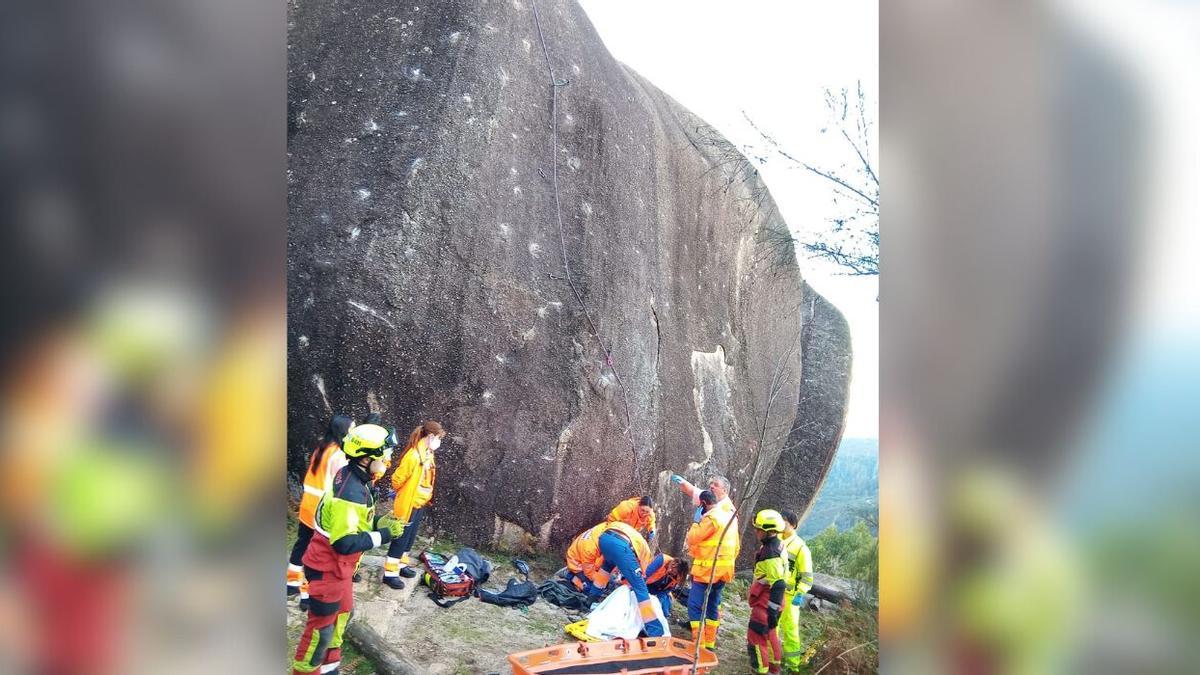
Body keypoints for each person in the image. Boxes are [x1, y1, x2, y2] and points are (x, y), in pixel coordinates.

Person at [291, 423, 404, 675]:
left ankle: (330, 670)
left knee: (341, 619)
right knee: (320, 632)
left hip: (340, 572)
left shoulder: (355, 476)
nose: (388, 460)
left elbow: (355, 521)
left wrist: (376, 522)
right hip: (327, 569)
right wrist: (384, 534)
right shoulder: (351, 491)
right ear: (366, 457)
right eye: (384, 455)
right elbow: (344, 543)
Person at [288, 414, 354, 608]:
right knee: (316, 552)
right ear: (343, 431)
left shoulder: (321, 449)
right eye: (352, 429)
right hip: (321, 508)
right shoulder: (339, 455)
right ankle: (306, 594)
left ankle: (291, 582)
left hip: (308, 503)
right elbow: (341, 484)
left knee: (302, 544)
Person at [382, 420, 444, 589]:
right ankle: (390, 573)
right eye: (438, 438)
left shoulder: (428, 453)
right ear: (430, 436)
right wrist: (404, 493)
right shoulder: (413, 455)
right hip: (408, 503)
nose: (439, 442)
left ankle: (402, 565)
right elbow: (396, 480)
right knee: (401, 537)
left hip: (419, 503)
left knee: (409, 537)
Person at [683, 483, 740, 650]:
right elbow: (736, 546)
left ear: (703, 504)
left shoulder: (711, 518)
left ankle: (698, 646)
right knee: (712, 605)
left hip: (707, 571)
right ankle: (710, 644)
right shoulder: (729, 517)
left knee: (695, 605)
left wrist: (696, 522)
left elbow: (693, 538)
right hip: (723, 571)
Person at [747, 509, 789, 675]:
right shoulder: (778, 544)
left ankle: (760, 670)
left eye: (758, 529)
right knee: (770, 635)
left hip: (767, 600)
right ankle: (774, 668)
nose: (756, 532)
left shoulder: (770, 553)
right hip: (776, 600)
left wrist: (771, 610)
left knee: (756, 638)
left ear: (768, 530)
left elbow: (777, 583)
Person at [779, 509, 814, 671]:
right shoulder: (777, 540)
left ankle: (793, 666)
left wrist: (800, 594)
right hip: (774, 592)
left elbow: (807, 576)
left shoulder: (801, 548)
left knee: (790, 629)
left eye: (784, 521)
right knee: (771, 626)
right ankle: (772, 659)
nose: (781, 523)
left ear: (792, 524)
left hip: (790, 596)